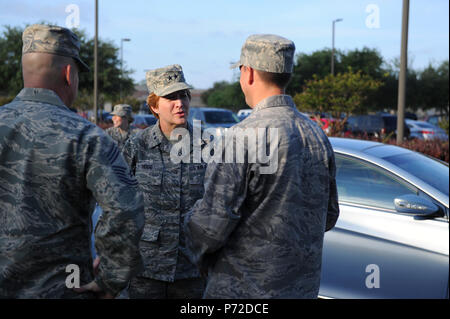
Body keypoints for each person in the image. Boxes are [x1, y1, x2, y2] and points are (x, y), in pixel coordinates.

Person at [183, 34, 339, 298]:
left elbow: (210, 227)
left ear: (249, 73)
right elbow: (329, 214)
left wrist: (187, 226)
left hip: (243, 292)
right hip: (301, 289)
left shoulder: (242, 136)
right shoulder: (316, 135)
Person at [0, 24, 145, 298]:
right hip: (64, 288)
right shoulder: (87, 136)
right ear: (69, 74)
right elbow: (126, 210)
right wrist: (111, 279)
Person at [122, 64, 207, 299]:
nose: (180, 103)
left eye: (184, 95)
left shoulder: (206, 145)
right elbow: (118, 204)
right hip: (146, 269)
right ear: (154, 106)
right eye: (170, 97)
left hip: (192, 270)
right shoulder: (136, 146)